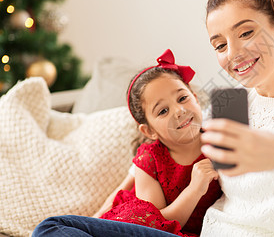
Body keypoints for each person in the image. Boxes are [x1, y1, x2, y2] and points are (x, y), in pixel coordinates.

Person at [33, 0, 274, 236]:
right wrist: (116, 196)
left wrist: (273, 150)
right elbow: (169, 143)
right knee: (59, 229)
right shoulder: (231, 101)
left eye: (245, 33)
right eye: (220, 44)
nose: (233, 54)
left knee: (53, 228)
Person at [33, 49, 222, 237]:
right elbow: (155, 224)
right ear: (149, 131)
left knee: (51, 227)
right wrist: (195, 189)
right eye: (163, 111)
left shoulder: (219, 141)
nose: (179, 111)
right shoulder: (150, 158)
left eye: (183, 98)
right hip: (136, 229)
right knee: (49, 229)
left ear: (196, 99)